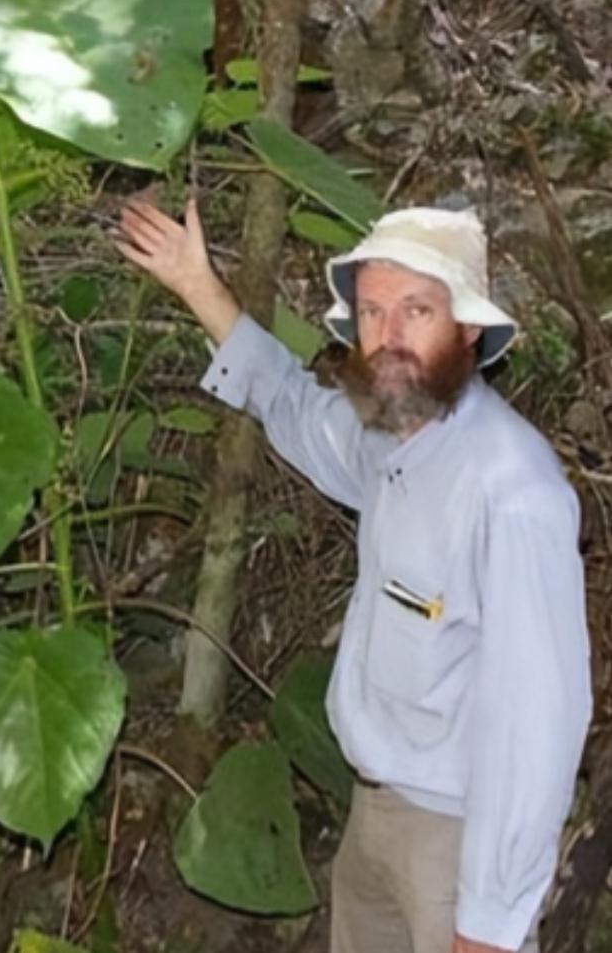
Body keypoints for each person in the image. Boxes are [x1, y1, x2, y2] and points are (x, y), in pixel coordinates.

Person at [116, 198, 592, 953]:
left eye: (415, 310)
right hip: (370, 816)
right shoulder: (392, 439)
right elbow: (289, 404)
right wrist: (196, 286)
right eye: (371, 313)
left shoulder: (513, 490)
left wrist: (491, 921)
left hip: (456, 843)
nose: (389, 337)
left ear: (468, 328)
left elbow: (538, 719)